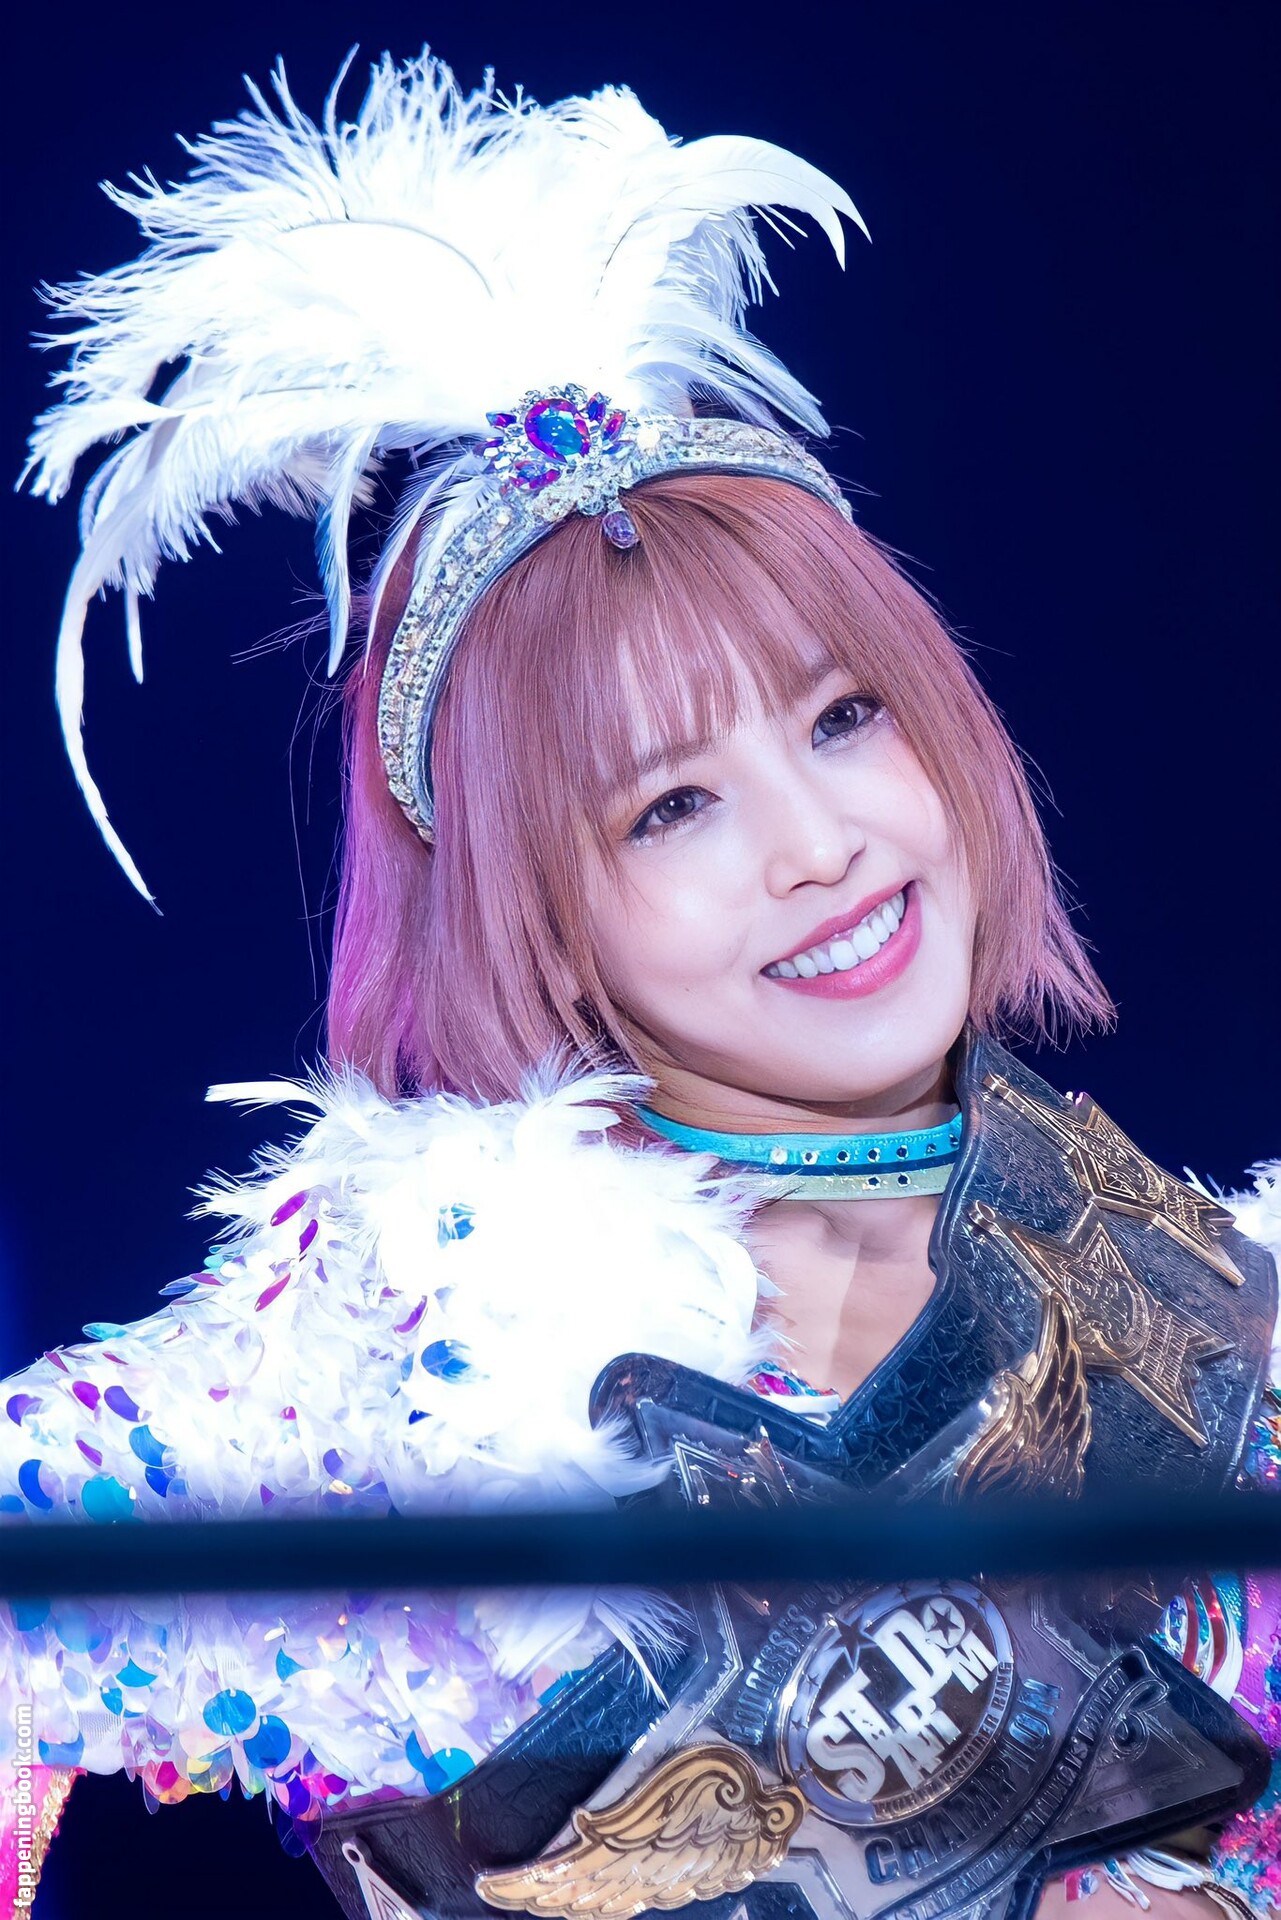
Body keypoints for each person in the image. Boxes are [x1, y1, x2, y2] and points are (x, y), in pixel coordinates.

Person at [3, 47, 1278, 1920]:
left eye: (842, 718)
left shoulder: (1218, 1298)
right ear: (535, 913)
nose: (818, 843)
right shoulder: (381, 1347)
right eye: (671, 805)